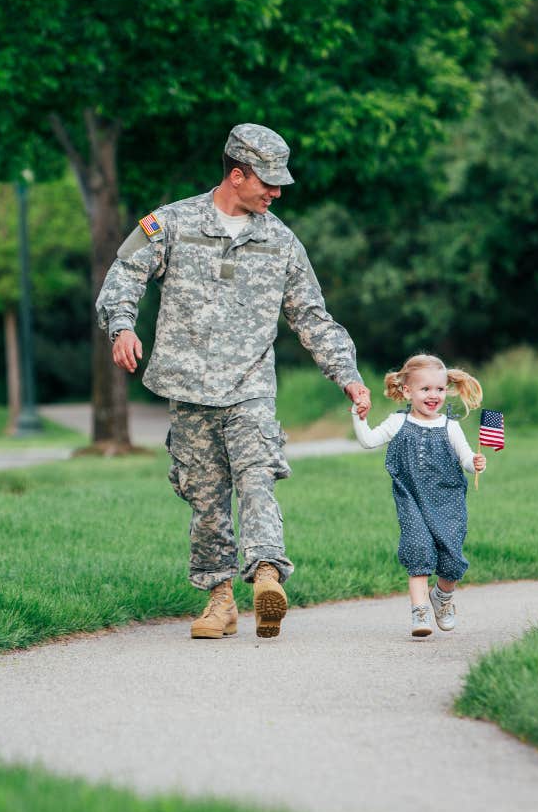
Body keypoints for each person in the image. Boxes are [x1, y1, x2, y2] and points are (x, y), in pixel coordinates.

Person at [96, 123, 371, 640]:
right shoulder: (170, 223)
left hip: (250, 386)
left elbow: (312, 317)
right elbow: (124, 274)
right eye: (269, 182)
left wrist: (348, 377)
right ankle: (219, 600)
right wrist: (122, 326)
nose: (277, 193)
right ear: (237, 175)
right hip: (188, 387)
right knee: (205, 499)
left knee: (256, 475)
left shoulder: (281, 242)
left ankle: (267, 573)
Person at [351, 354, 485, 638]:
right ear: (407, 391)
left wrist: (475, 462)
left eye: (439, 389)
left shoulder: (450, 426)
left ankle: (442, 597)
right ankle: (420, 611)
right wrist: (358, 417)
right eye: (425, 389)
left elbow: (466, 457)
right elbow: (368, 440)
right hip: (411, 500)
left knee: (452, 559)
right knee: (418, 548)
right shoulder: (398, 422)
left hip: (448, 502)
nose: (433, 395)